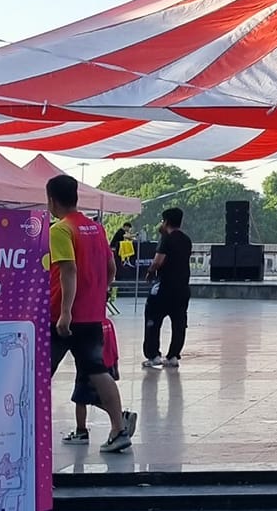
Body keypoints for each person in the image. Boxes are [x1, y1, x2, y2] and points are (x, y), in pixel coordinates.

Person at [45, 173, 134, 455]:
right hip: (93, 315)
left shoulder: (60, 230)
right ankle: (118, 429)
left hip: (63, 317)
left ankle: (27, 429)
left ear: (51, 200)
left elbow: (68, 270)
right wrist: (97, 293)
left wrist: (66, 312)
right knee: (98, 370)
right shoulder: (96, 229)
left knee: (39, 372)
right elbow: (111, 268)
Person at [142, 205, 193, 367]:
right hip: (182, 288)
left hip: (164, 288)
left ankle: (153, 355)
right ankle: (173, 356)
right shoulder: (186, 240)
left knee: (152, 320)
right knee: (179, 323)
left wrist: (150, 272)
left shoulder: (166, 239)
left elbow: (158, 261)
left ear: (166, 222)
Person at [62, 314, 122, 445]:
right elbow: (113, 347)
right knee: (97, 398)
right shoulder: (107, 323)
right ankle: (120, 416)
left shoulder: (86, 323)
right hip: (106, 366)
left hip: (89, 367)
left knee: (80, 399)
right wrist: (115, 365)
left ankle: (81, 431)